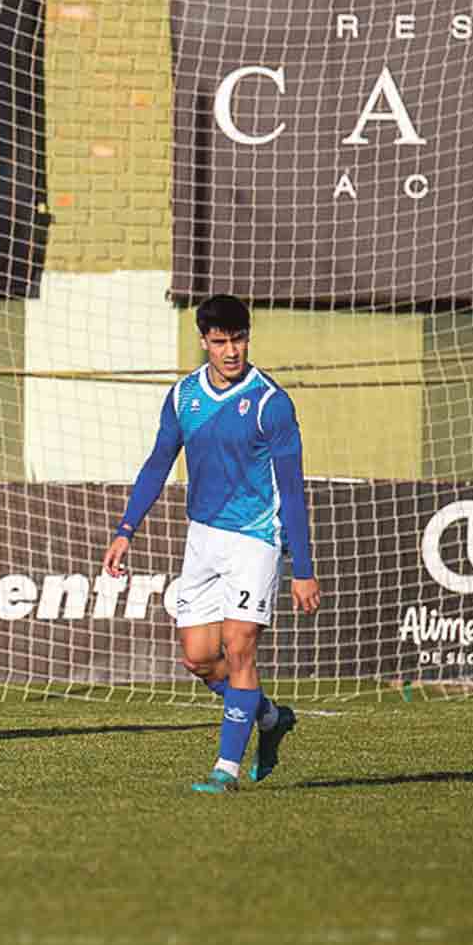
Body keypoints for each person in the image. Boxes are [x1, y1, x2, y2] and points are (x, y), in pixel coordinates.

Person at [102, 295, 321, 794]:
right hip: (201, 538)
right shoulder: (183, 398)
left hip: (255, 540)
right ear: (204, 341)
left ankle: (225, 770)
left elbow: (292, 488)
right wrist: (124, 531)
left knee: (239, 647)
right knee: (198, 657)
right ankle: (267, 716)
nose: (230, 351)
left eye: (238, 339)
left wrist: (302, 567)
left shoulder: (272, 403)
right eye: (220, 342)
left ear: (248, 336)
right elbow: (157, 464)